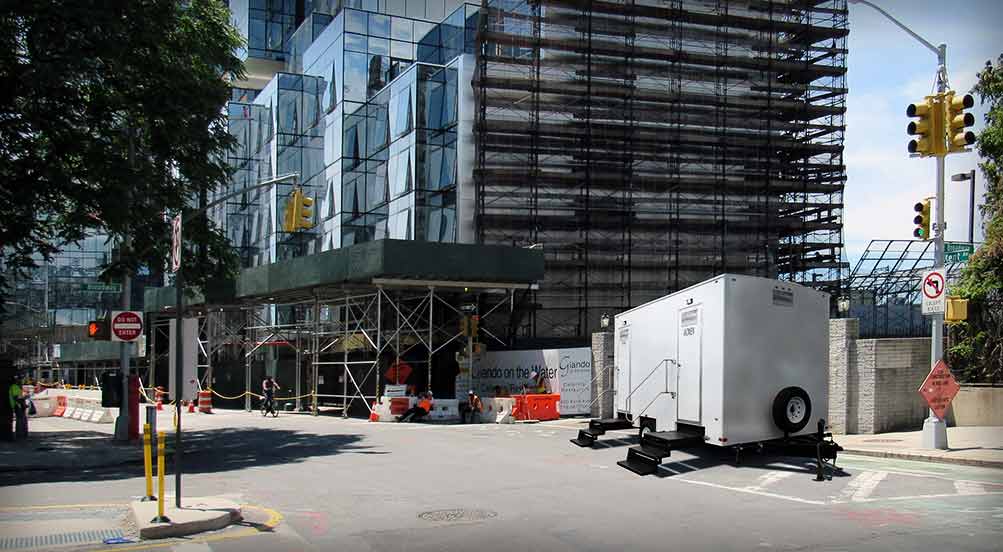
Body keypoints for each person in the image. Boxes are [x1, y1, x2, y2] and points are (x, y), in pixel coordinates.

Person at [10, 374, 26, 441]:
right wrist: (23, 401)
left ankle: (19, 434)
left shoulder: (16, 387)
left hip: (17, 405)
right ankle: (19, 435)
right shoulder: (15, 387)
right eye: (21, 379)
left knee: (19, 420)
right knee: (20, 420)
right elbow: (16, 397)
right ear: (17, 380)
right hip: (17, 405)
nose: (22, 381)